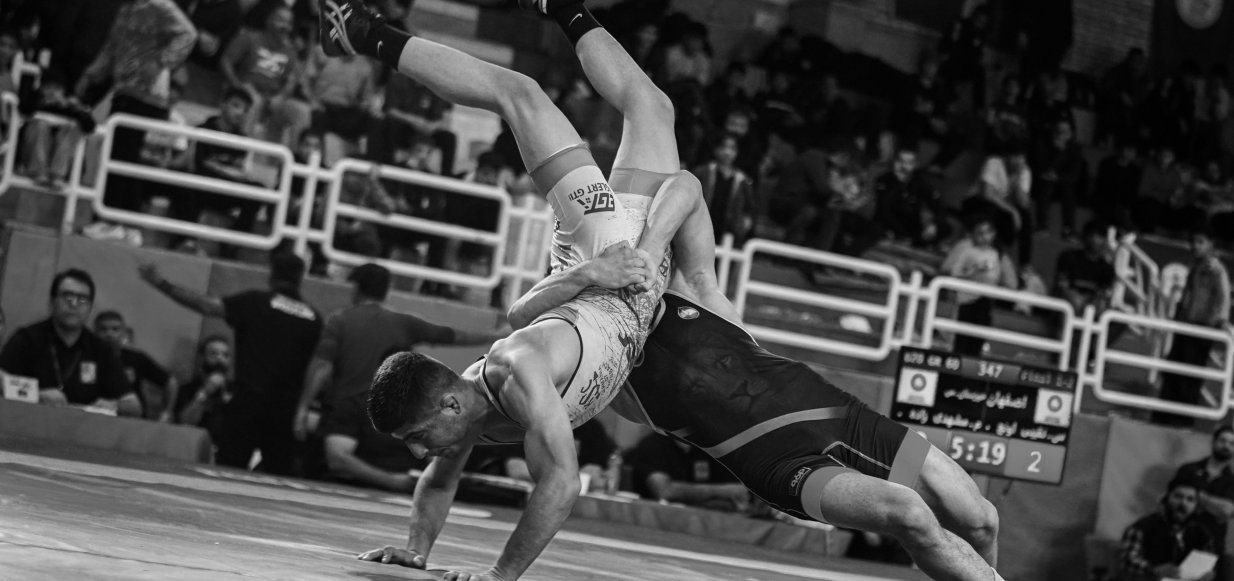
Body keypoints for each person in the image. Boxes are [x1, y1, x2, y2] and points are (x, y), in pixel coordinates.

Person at [318, 2, 706, 580]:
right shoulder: (466, 417)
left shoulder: (514, 371)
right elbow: (437, 483)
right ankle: (562, 7)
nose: (420, 454)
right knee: (652, 106)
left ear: (448, 404)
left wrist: (500, 577)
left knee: (520, 93)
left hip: (607, 250)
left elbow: (562, 483)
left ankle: (368, 34)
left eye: (418, 438)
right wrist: (416, 549)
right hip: (614, 280)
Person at [501, 215, 1007, 577]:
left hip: (844, 417)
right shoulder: (607, 369)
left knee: (981, 519)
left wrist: (647, 248)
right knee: (908, 513)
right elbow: (520, 319)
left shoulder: (694, 292)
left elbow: (685, 186)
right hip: (783, 467)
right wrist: (582, 276)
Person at [294, 263, 509, 488]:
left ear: (355, 288)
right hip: (388, 420)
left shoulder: (341, 320)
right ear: (386, 290)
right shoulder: (403, 323)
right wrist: (496, 335)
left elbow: (321, 367)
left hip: (350, 417)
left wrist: (302, 409)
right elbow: (451, 336)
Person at [139, 252, 323, 475]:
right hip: (286, 409)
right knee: (279, 476)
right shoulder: (314, 318)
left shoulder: (255, 301)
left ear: (272, 275)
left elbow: (206, 306)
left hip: (249, 401)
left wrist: (161, 283)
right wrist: (303, 408)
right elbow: (318, 367)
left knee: (228, 471)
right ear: (301, 278)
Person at [0, 270, 141, 416]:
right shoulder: (27, 338)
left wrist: (114, 405)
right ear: (52, 301)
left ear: (90, 308)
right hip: (28, 421)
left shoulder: (100, 349)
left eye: (82, 299)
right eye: (67, 297)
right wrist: (36, 394)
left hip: (82, 427)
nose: (74, 304)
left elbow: (134, 406)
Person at [1152, 227, 1231, 426]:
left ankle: (1182, 419)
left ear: (1211, 244)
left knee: (1190, 376)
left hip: (1200, 331)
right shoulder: (1195, 266)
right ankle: (1162, 415)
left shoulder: (1216, 270)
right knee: (1173, 371)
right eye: (1193, 242)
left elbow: (1223, 300)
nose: (1195, 246)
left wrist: (1216, 323)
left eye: (1200, 242)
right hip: (1184, 327)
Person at [943, 215, 1017, 355]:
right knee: (961, 339)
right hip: (966, 300)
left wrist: (994, 284)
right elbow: (954, 272)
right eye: (980, 233)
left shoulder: (995, 254)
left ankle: (973, 363)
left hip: (985, 300)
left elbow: (996, 277)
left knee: (978, 337)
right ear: (973, 234)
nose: (984, 237)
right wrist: (971, 272)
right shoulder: (967, 251)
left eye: (988, 232)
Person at [1120, 476, 1218, 581]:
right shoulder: (1142, 527)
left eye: (1190, 499)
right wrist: (1154, 570)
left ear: (1196, 505)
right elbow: (1127, 560)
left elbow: (1208, 564)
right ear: (1167, 498)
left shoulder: (1203, 534)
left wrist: (1208, 576)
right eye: (1178, 496)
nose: (1183, 503)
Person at [627, 432, 748, 512]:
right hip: (655, 519)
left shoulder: (709, 448)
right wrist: (722, 491)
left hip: (702, 523)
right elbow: (665, 492)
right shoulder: (654, 444)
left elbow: (738, 493)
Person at [94, 311, 179, 421]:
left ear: (124, 333)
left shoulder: (136, 358)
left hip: (132, 420)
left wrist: (166, 412)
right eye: (103, 329)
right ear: (94, 332)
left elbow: (170, 382)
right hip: (95, 418)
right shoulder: (85, 357)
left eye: (115, 329)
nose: (109, 334)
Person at [1173, 426, 1234, 552]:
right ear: (1214, 442)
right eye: (1222, 441)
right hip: (1177, 538)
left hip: (1211, 544)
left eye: (1231, 443)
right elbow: (1172, 499)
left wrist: (1196, 496)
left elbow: (1226, 511)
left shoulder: (1232, 481)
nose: (1226, 446)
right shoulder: (1188, 469)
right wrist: (1214, 505)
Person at [175, 335, 234, 443]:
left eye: (225, 355)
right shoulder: (187, 389)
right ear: (201, 358)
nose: (220, 358)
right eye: (213, 354)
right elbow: (185, 422)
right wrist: (205, 392)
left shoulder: (237, 390)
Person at [1053, 220, 1116, 317]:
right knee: (1074, 301)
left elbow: (1104, 293)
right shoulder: (1068, 257)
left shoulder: (1107, 268)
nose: (1097, 240)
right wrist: (1079, 300)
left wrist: (1092, 302)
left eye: (1101, 237)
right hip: (1066, 306)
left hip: (1091, 307)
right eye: (1094, 235)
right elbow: (1062, 287)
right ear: (1086, 236)